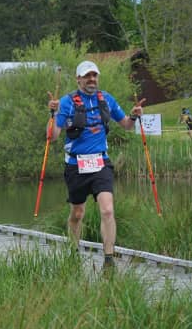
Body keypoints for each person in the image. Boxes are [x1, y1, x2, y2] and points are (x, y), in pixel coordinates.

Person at [47, 60, 144, 271]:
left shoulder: (106, 99)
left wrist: (135, 116)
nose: (92, 79)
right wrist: (53, 114)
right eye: (87, 76)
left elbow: (126, 125)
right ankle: (73, 251)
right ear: (78, 79)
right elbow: (53, 136)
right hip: (76, 164)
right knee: (77, 213)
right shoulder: (67, 102)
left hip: (101, 163)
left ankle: (109, 260)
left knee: (108, 210)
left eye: (95, 75)